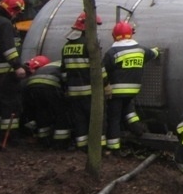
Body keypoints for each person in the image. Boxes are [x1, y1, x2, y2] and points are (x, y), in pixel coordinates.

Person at [103, 20, 159, 152]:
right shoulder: (140, 49)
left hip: (115, 92)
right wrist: (157, 51)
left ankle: (113, 147)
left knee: (114, 118)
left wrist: (106, 85)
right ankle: (137, 129)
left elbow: (102, 70)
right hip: (133, 90)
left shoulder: (112, 52)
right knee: (128, 109)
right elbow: (153, 53)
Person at [61, 10, 105, 150]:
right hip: (89, 91)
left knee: (79, 120)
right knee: (96, 119)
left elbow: (63, 72)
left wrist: (67, 88)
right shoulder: (91, 45)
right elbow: (100, 69)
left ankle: (81, 146)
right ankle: (98, 148)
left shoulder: (66, 46)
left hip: (73, 92)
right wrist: (107, 85)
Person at [0, 0, 27, 144]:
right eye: (17, 12)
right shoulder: (5, 24)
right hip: (6, 73)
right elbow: (9, 49)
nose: (17, 16)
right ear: (14, 10)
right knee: (10, 105)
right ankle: (10, 137)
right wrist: (18, 66)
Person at [21, 55, 72, 148]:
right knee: (61, 113)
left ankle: (44, 140)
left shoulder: (51, 65)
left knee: (42, 113)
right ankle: (60, 142)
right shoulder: (67, 65)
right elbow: (67, 80)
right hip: (49, 86)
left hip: (32, 85)